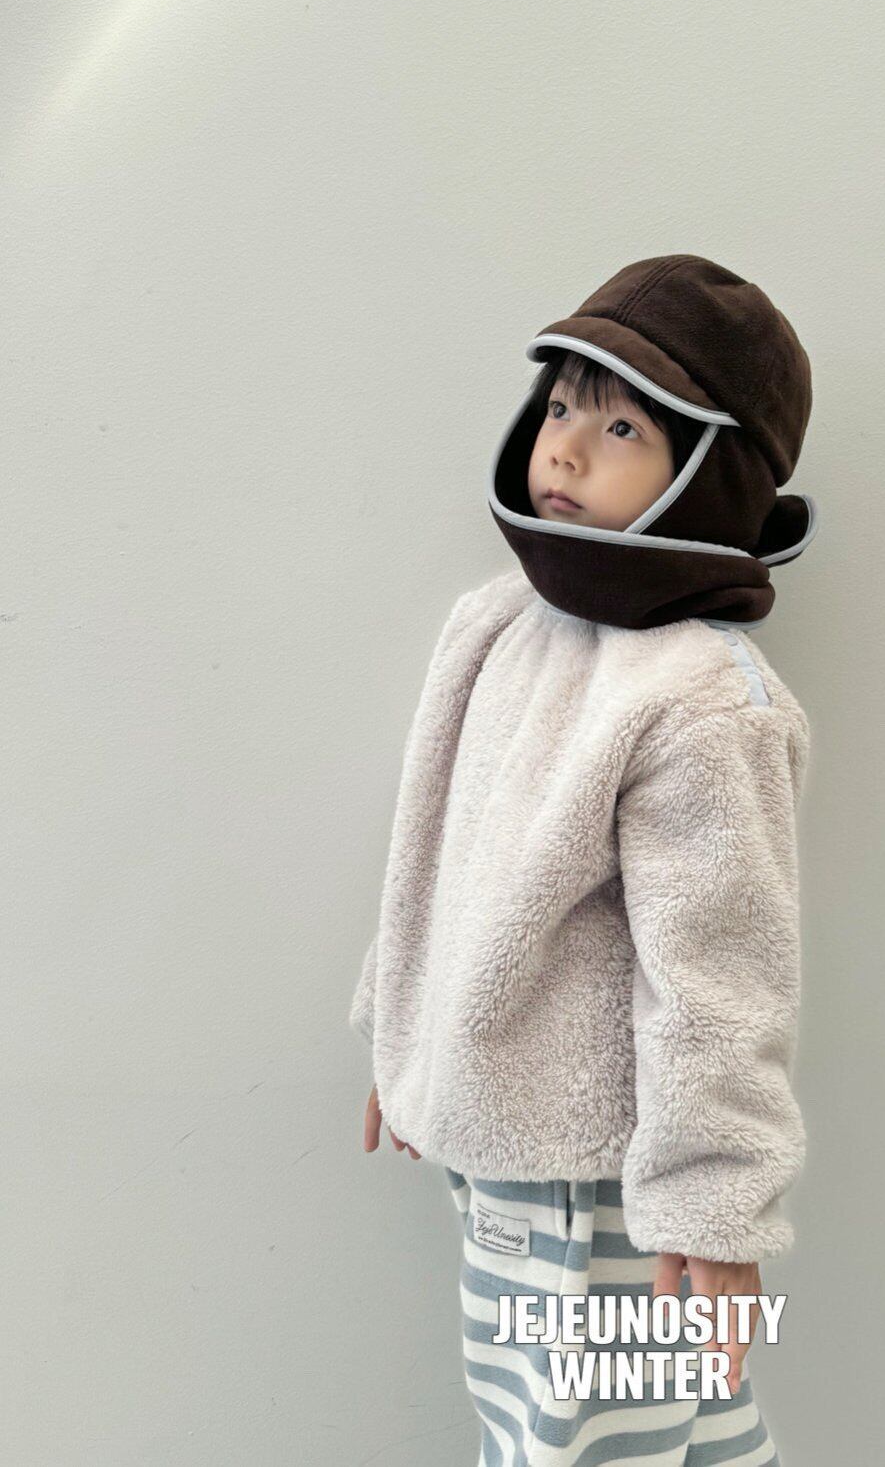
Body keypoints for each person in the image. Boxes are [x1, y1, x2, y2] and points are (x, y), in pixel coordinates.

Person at [349, 252, 820, 1465]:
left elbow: (722, 979)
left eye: (620, 427)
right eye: (560, 405)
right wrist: (405, 1031)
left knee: (570, 1438)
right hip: (510, 1148)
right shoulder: (498, 622)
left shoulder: (703, 701)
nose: (562, 446)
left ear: (709, 472)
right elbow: (434, 851)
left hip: (599, 1180)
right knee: (664, 1430)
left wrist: (713, 1202)